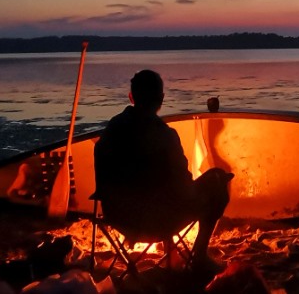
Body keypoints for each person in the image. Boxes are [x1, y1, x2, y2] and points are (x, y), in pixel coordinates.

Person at [93, 70, 232, 273]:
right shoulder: (166, 137)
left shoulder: (111, 130)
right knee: (217, 180)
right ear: (161, 99)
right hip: (158, 222)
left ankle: (176, 252)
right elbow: (184, 190)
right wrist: (209, 182)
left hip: (117, 217)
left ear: (131, 97)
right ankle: (199, 256)